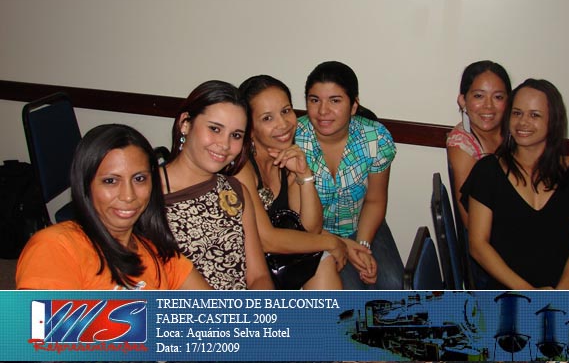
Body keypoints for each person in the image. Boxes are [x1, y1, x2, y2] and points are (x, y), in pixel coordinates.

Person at [16, 124, 211, 290]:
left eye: (139, 179)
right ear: (86, 184)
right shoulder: (55, 247)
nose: (128, 196)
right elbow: (34, 322)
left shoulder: (159, 254)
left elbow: (218, 312)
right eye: (110, 181)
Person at [462, 79, 569, 289]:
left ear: (553, 121)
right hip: (511, 290)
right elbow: (478, 246)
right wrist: (531, 294)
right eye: (517, 113)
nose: (523, 122)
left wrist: (560, 295)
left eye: (534, 115)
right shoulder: (487, 171)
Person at [295, 61, 403, 289]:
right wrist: (342, 245)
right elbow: (292, 215)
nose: (323, 111)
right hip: (312, 233)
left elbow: (375, 200)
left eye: (335, 100)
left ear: (354, 105)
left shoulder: (375, 138)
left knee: (392, 285)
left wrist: (362, 245)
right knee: (349, 293)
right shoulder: (295, 139)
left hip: (361, 223)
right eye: (314, 100)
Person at [162, 80, 273, 290]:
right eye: (215, 129)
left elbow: (258, 276)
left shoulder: (234, 191)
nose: (224, 144)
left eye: (236, 135)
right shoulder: (145, 193)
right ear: (185, 123)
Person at [237, 75, 345, 289]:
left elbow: (310, 230)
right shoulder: (241, 168)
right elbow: (265, 239)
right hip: (246, 271)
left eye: (286, 111)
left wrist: (304, 174)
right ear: (250, 128)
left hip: (281, 264)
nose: (283, 124)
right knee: (325, 255)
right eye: (267, 118)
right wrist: (333, 242)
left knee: (323, 263)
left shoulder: (288, 158)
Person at [446, 60, 512, 228]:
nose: (488, 106)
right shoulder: (462, 144)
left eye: (498, 97)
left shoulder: (517, 133)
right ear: (463, 100)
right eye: (479, 96)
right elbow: (470, 220)